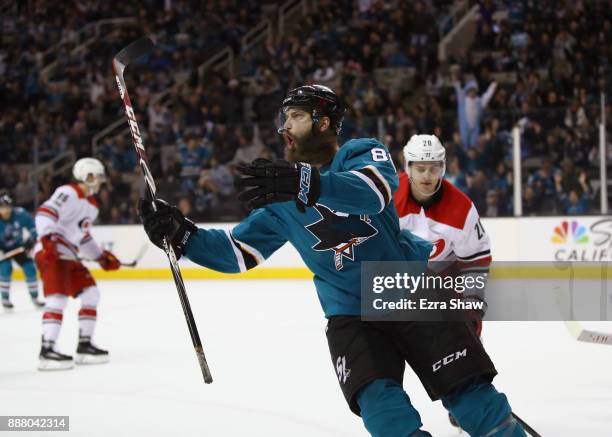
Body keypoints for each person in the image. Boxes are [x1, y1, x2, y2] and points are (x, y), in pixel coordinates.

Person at [139, 85, 526, 436]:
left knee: (472, 398)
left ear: (323, 122)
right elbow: (236, 254)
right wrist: (180, 234)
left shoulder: (361, 152)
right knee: (382, 411)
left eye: (295, 117)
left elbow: (373, 192)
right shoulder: (282, 199)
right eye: (283, 119)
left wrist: (306, 182)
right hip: (349, 316)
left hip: (408, 290)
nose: (284, 127)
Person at [393, 134, 493, 429]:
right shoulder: (386, 196)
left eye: (434, 167)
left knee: (461, 340)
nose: (427, 175)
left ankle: (466, 397)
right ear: (407, 167)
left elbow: (476, 260)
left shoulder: (461, 208)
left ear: (444, 168)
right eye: (420, 168)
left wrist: (472, 305)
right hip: (396, 278)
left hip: (445, 279)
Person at [34, 158, 121, 370]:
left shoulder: (92, 206)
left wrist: (100, 256)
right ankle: (47, 350)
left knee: (91, 294)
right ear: (87, 176)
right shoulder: (69, 192)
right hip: (52, 253)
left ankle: (84, 345)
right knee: (57, 298)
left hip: (68, 255)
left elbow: (82, 237)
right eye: (98, 176)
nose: (100, 181)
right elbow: (46, 212)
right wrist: (47, 239)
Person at [0, 190, 42, 309]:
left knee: (30, 268)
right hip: (2, 250)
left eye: (8, 207)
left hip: (19, 247)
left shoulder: (20, 214)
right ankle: (5, 298)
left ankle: (35, 297)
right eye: (2, 207)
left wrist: (32, 240)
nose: (6, 210)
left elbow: (33, 226)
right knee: (5, 269)